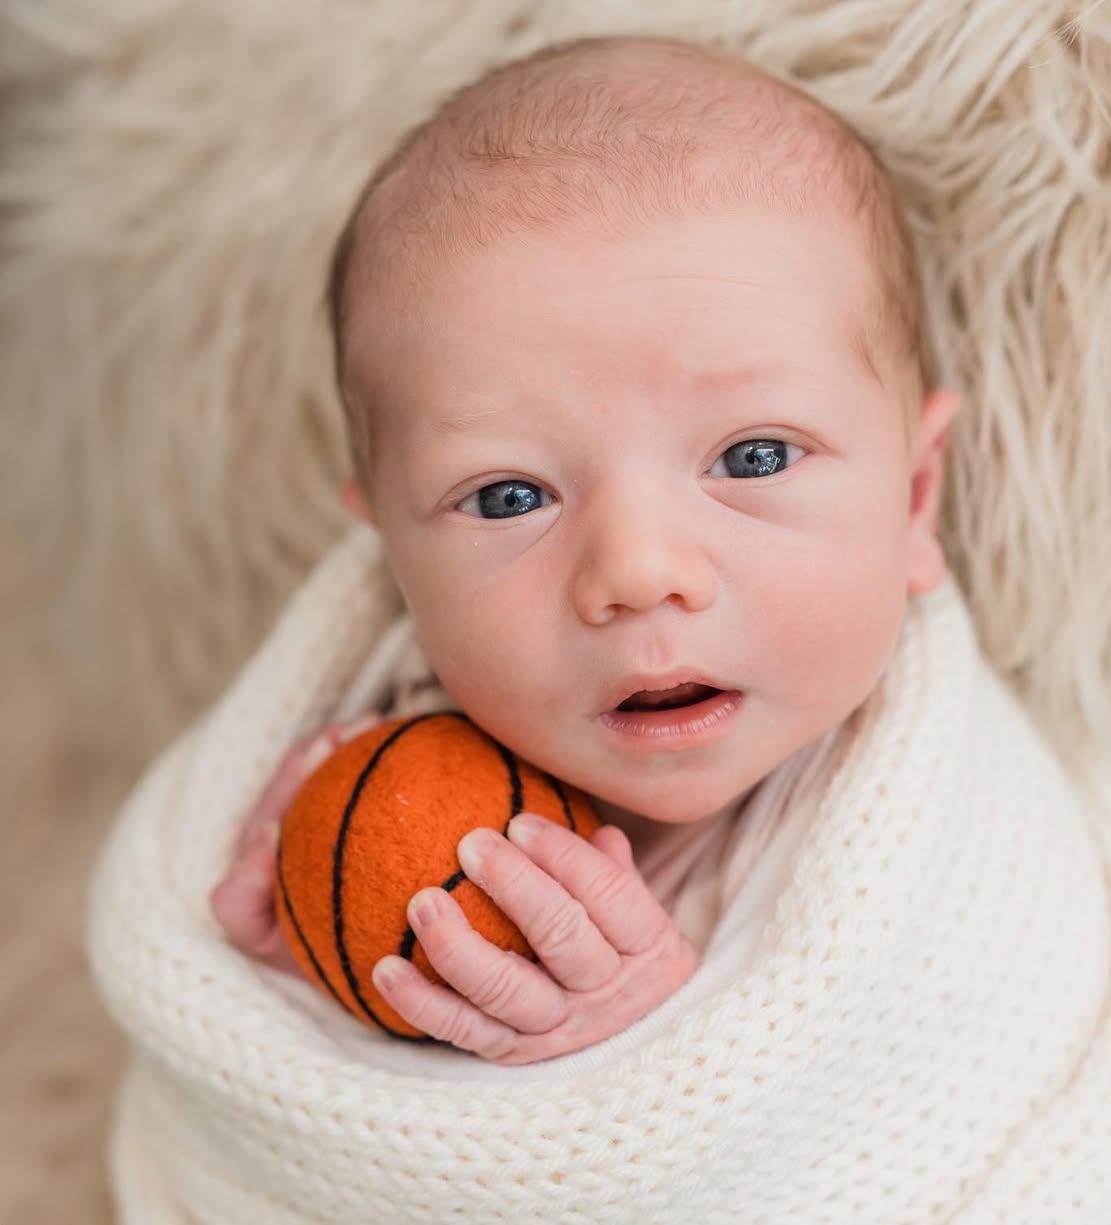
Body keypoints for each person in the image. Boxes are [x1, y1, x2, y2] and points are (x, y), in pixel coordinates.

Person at [210, 31, 960, 1065]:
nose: (639, 571)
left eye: (751, 458)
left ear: (915, 498)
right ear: (390, 554)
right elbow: (248, 1083)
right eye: (510, 494)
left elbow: (945, 1102)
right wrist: (303, 983)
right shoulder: (362, 748)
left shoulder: (948, 827)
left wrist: (654, 1050)